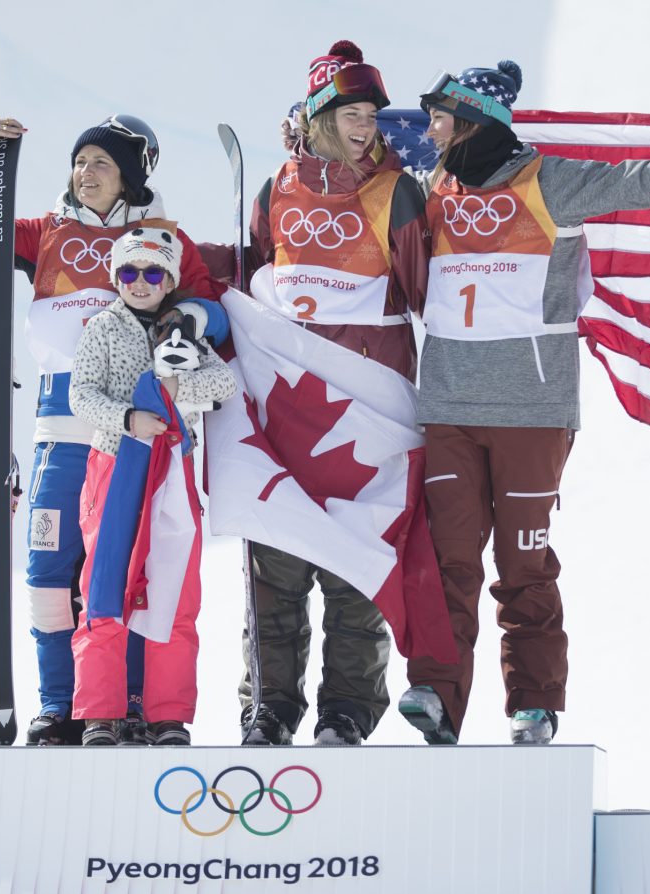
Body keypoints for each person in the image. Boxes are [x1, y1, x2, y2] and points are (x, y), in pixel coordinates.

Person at [397, 61, 650, 745]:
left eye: (438, 118)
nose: (426, 130)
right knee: (448, 561)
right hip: (448, 408)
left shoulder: (549, 181)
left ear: (472, 122)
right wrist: (300, 137)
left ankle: (533, 704)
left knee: (523, 567)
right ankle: (436, 692)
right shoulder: (429, 185)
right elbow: (354, 168)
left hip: (532, 410)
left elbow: (645, 183)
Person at [0, 115, 226, 746]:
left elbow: (212, 308)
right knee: (49, 571)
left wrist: (185, 322)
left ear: (131, 175)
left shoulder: (163, 238)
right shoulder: (47, 232)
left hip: (136, 433)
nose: (85, 172)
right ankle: (60, 705)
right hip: (62, 426)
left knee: (128, 572)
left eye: (101, 162)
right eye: (79, 161)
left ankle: (126, 704)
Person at [237, 40, 431, 747]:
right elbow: (255, 281)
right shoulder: (275, 189)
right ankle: (269, 708)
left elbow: (426, 290)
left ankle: (346, 712)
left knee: (357, 568)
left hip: (369, 409)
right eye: (351, 113)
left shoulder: (396, 191)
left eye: (372, 114)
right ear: (319, 116)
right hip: (288, 407)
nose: (365, 125)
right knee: (276, 566)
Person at [68, 224, 236, 746]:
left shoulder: (180, 331)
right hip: (117, 464)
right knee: (105, 588)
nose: (140, 282)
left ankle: (168, 716)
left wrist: (178, 384)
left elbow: (225, 383)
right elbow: (81, 394)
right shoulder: (103, 327)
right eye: (128, 272)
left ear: (170, 280)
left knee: (176, 590)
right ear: (115, 277)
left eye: (153, 273)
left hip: (171, 470)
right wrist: (128, 418)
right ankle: (101, 714)